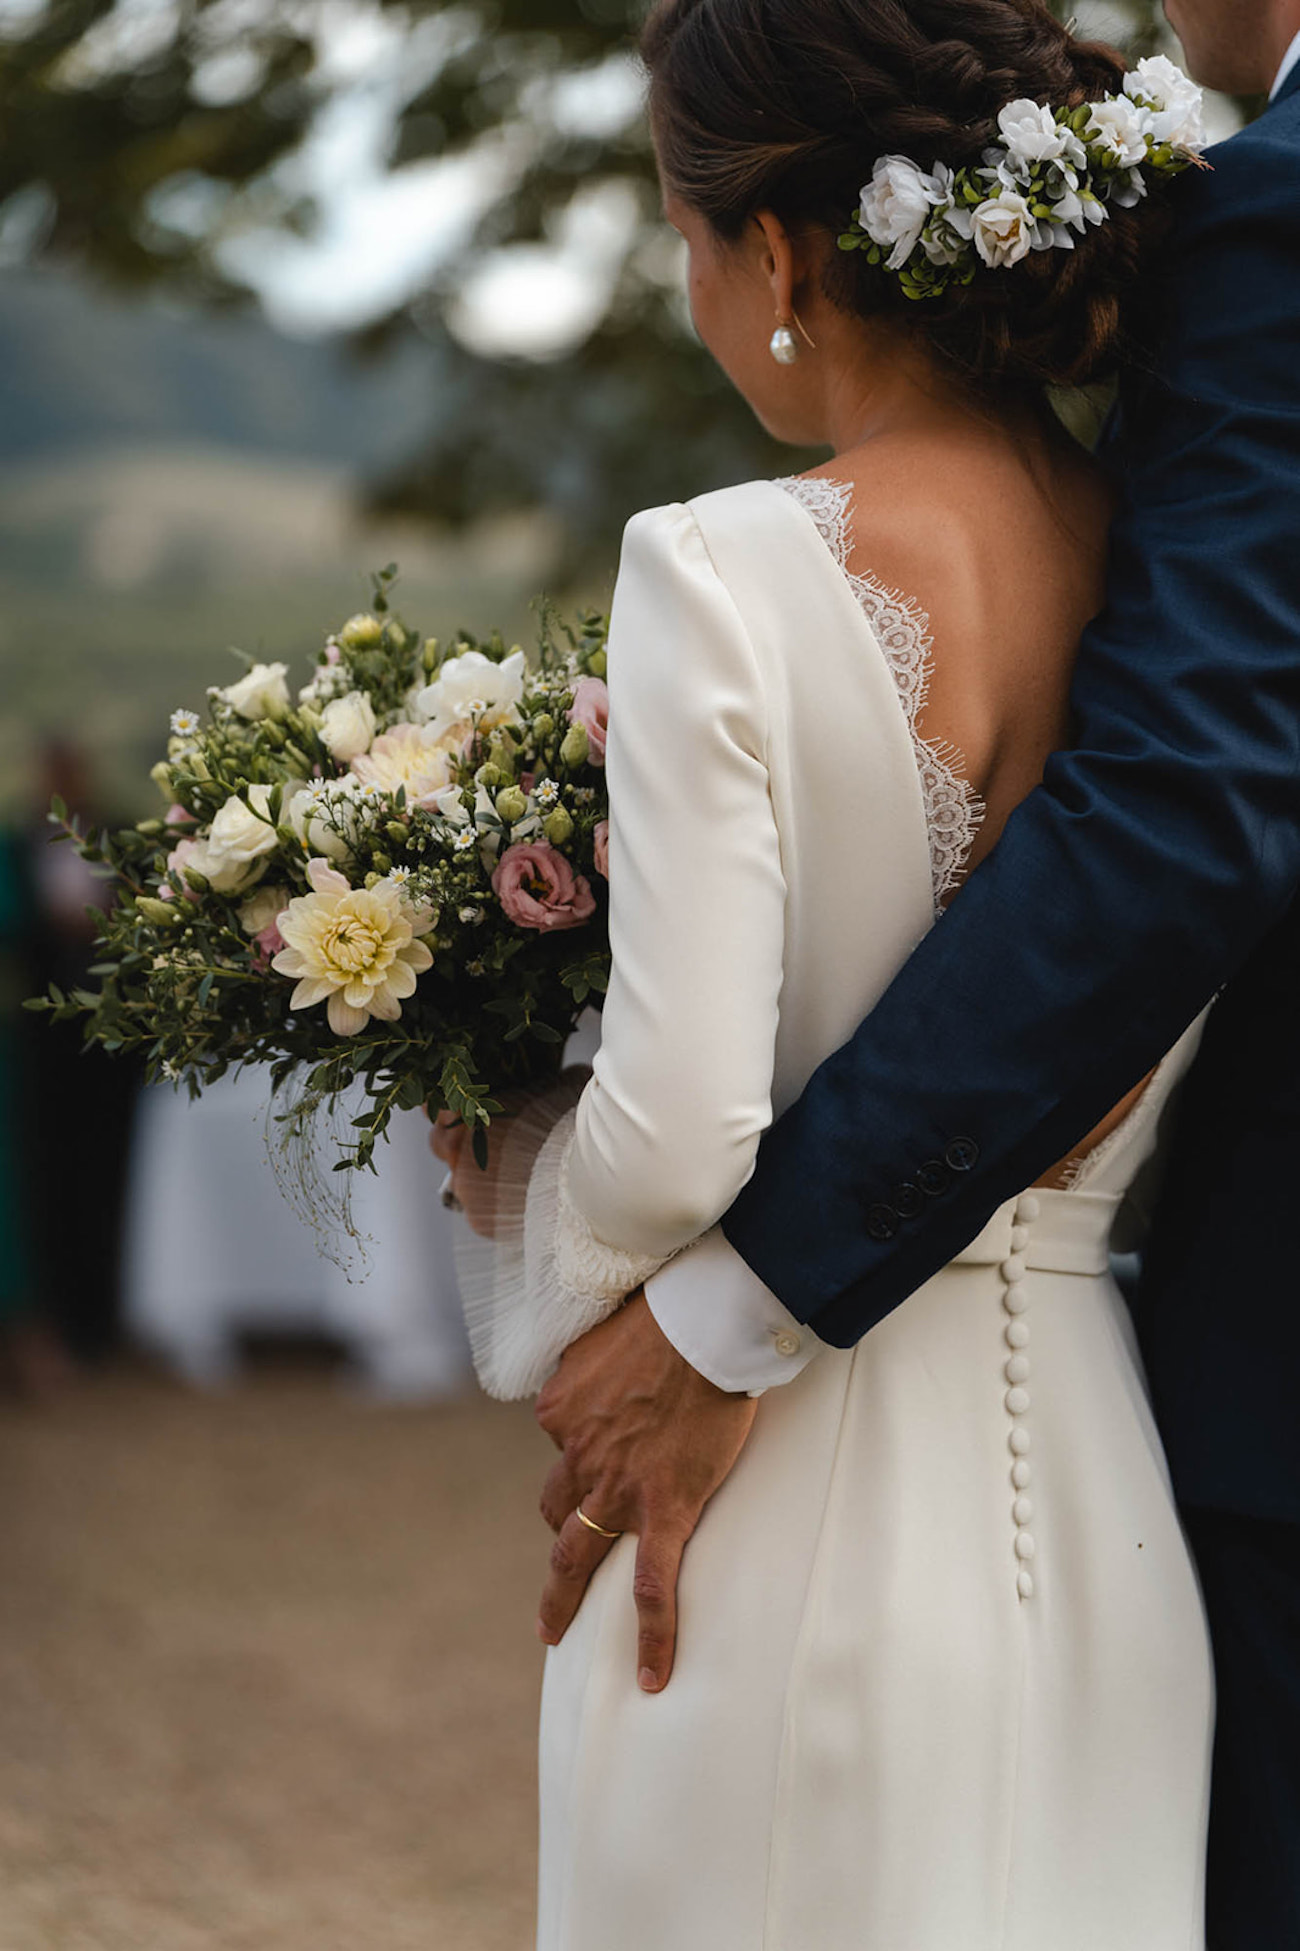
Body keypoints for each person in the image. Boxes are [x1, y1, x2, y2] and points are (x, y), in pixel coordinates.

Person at [502, 1, 1300, 1946]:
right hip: (1108, 1488)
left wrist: (514, 1177)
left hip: (801, 1477)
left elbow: (679, 1131)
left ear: (771, 254)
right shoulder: (1140, 565)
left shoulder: (717, 566)